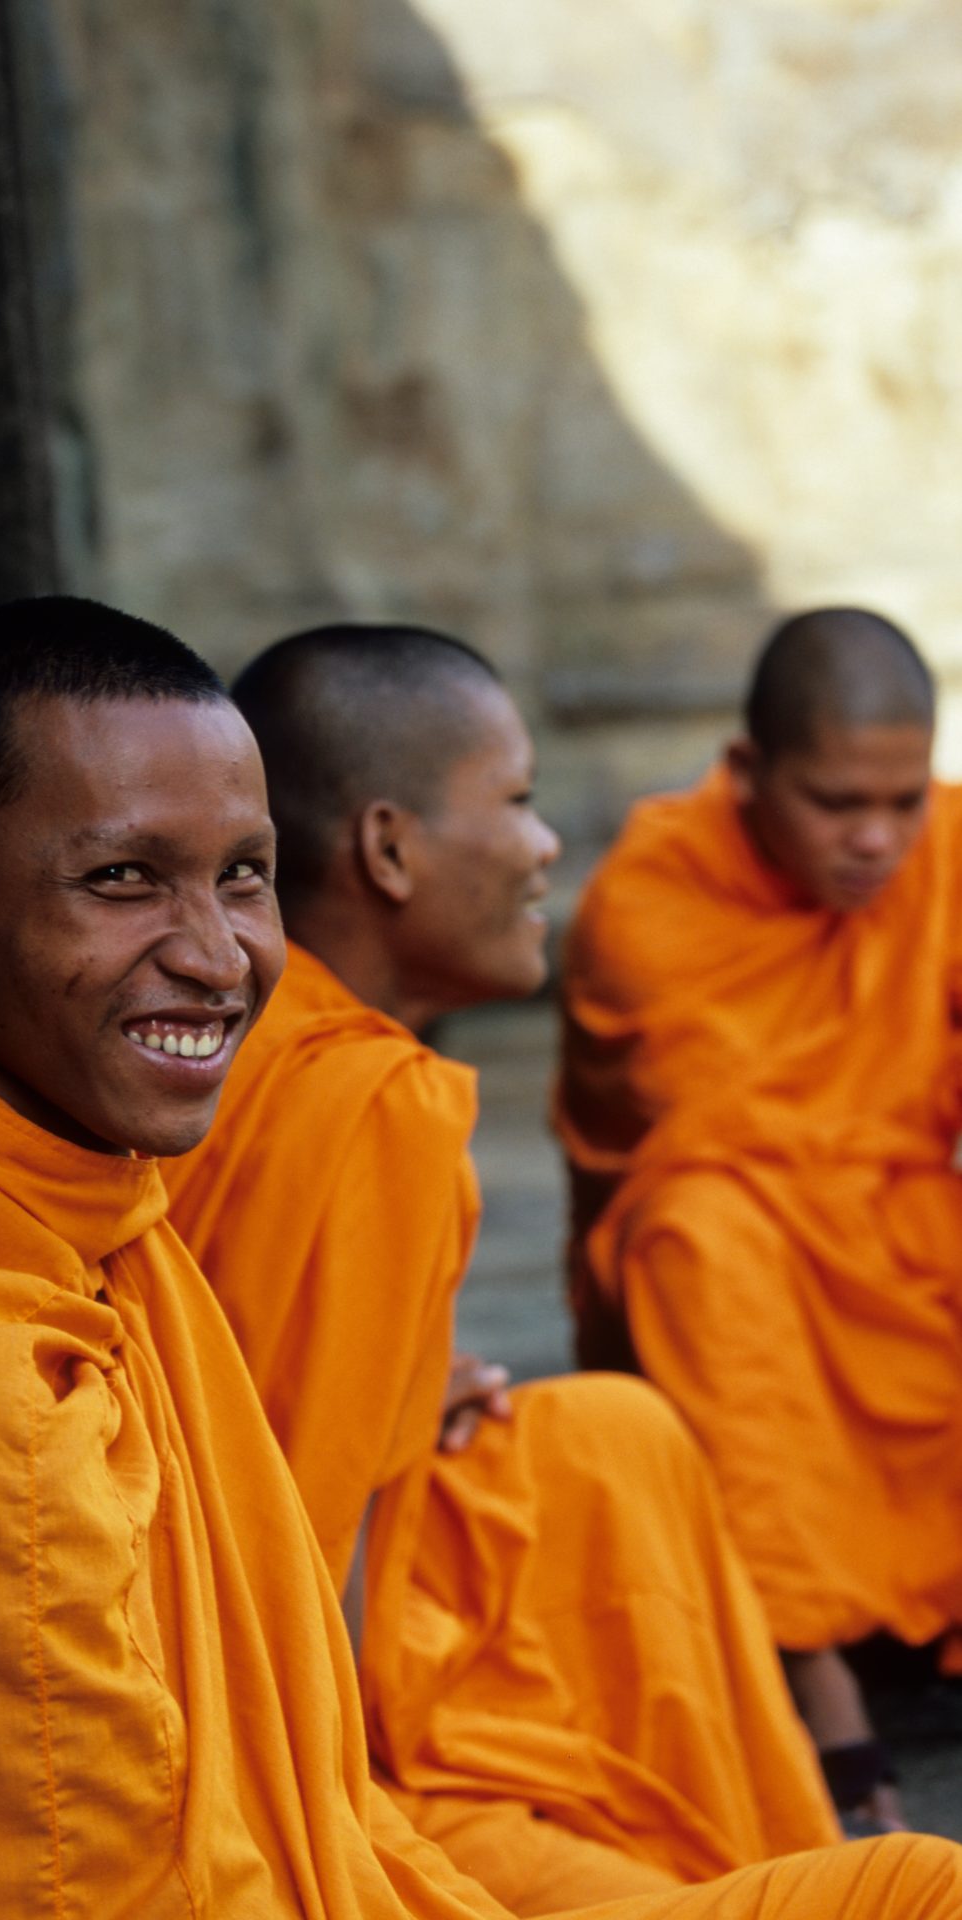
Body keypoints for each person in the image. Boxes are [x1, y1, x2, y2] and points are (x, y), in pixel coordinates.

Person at [0, 596, 957, 1920]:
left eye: (242, 876)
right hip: (320, 1818)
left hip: (311, 1799)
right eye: (121, 877)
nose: (218, 956)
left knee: (612, 1447)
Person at [164, 622, 849, 1917]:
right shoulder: (370, 1099)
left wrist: (396, 1403)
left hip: (259, 1576)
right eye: (519, 801)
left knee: (613, 1434)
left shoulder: (242, 1034)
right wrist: (374, 1804)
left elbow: (251, 1400)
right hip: (299, 1707)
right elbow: (299, 1560)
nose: (546, 847)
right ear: (385, 848)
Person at [556, 606, 962, 1833]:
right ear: (747, 776)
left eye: (904, 799)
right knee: (700, 1236)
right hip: (737, 1265)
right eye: (838, 803)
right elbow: (706, 1146)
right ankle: (815, 1678)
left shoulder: (946, 850)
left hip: (899, 1228)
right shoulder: (648, 900)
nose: (878, 839)